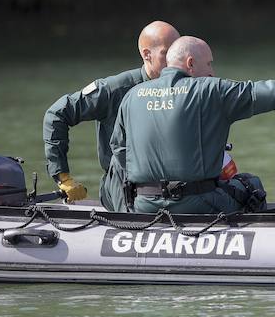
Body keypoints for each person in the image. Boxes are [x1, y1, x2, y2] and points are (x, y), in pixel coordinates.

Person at [109, 36, 275, 214]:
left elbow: (119, 152)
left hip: (144, 206)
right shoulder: (210, 90)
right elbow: (272, 92)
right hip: (196, 204)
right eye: (209, 63)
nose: (212, 71)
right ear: (191, 64)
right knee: (250, 185)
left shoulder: (133, 95)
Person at [43, 20, 180, 209]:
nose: (175, 60)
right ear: (147, 54)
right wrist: (63, 176)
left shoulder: (184, 90)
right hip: (122, 183)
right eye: (167, 53)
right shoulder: (114, 89)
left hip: (167, 183)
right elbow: (57, 114)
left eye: (178, 52)